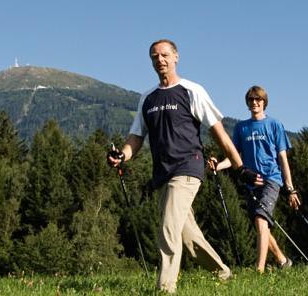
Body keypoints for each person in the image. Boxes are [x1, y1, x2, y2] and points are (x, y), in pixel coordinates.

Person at [107, 39, 262, 294]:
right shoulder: (147, 98)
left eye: (165, 55)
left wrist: (238, 166)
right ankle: (222, 273)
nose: (160, 60)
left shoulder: (192, 90)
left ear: (176, 57)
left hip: (189, 167)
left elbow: (219, 133)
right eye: (155, 56)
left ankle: (165, 288)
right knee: (188, 237)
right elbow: (136, 138)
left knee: (168, 227)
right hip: (163, 173)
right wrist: (122, 155)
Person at [210, 85, 301, 273]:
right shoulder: (241, 127)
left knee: (261, 219)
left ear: (264, 102)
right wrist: (217, 166)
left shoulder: (274, 125)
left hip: (271, 179)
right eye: (251, 100)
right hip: (251, 182)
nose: (254, 103)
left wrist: (290, 188)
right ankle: (283, 261)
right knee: (262, 226)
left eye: (258, 99)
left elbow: (283, 158)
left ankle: (258, 270)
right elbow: (235, 157)